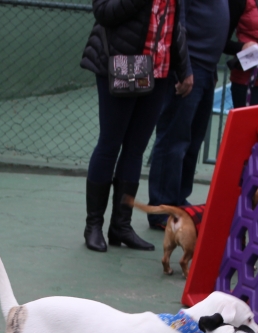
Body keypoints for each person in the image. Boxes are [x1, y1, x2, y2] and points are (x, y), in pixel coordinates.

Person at [81, 0, 195, 252]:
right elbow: (103, 11)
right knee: (110, 144)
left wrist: (184, 67)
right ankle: (94, 226)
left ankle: (121, 226)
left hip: (158, 71)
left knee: (135, 149)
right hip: (121, 65)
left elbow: (176, 24)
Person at [145, 0, 245, 230]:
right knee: (173, 139)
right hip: (189, 69)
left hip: (206, 70)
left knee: (191, 141)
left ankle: (179, 199)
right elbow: (178, 23)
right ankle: (162, 209)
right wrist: (184, 69)